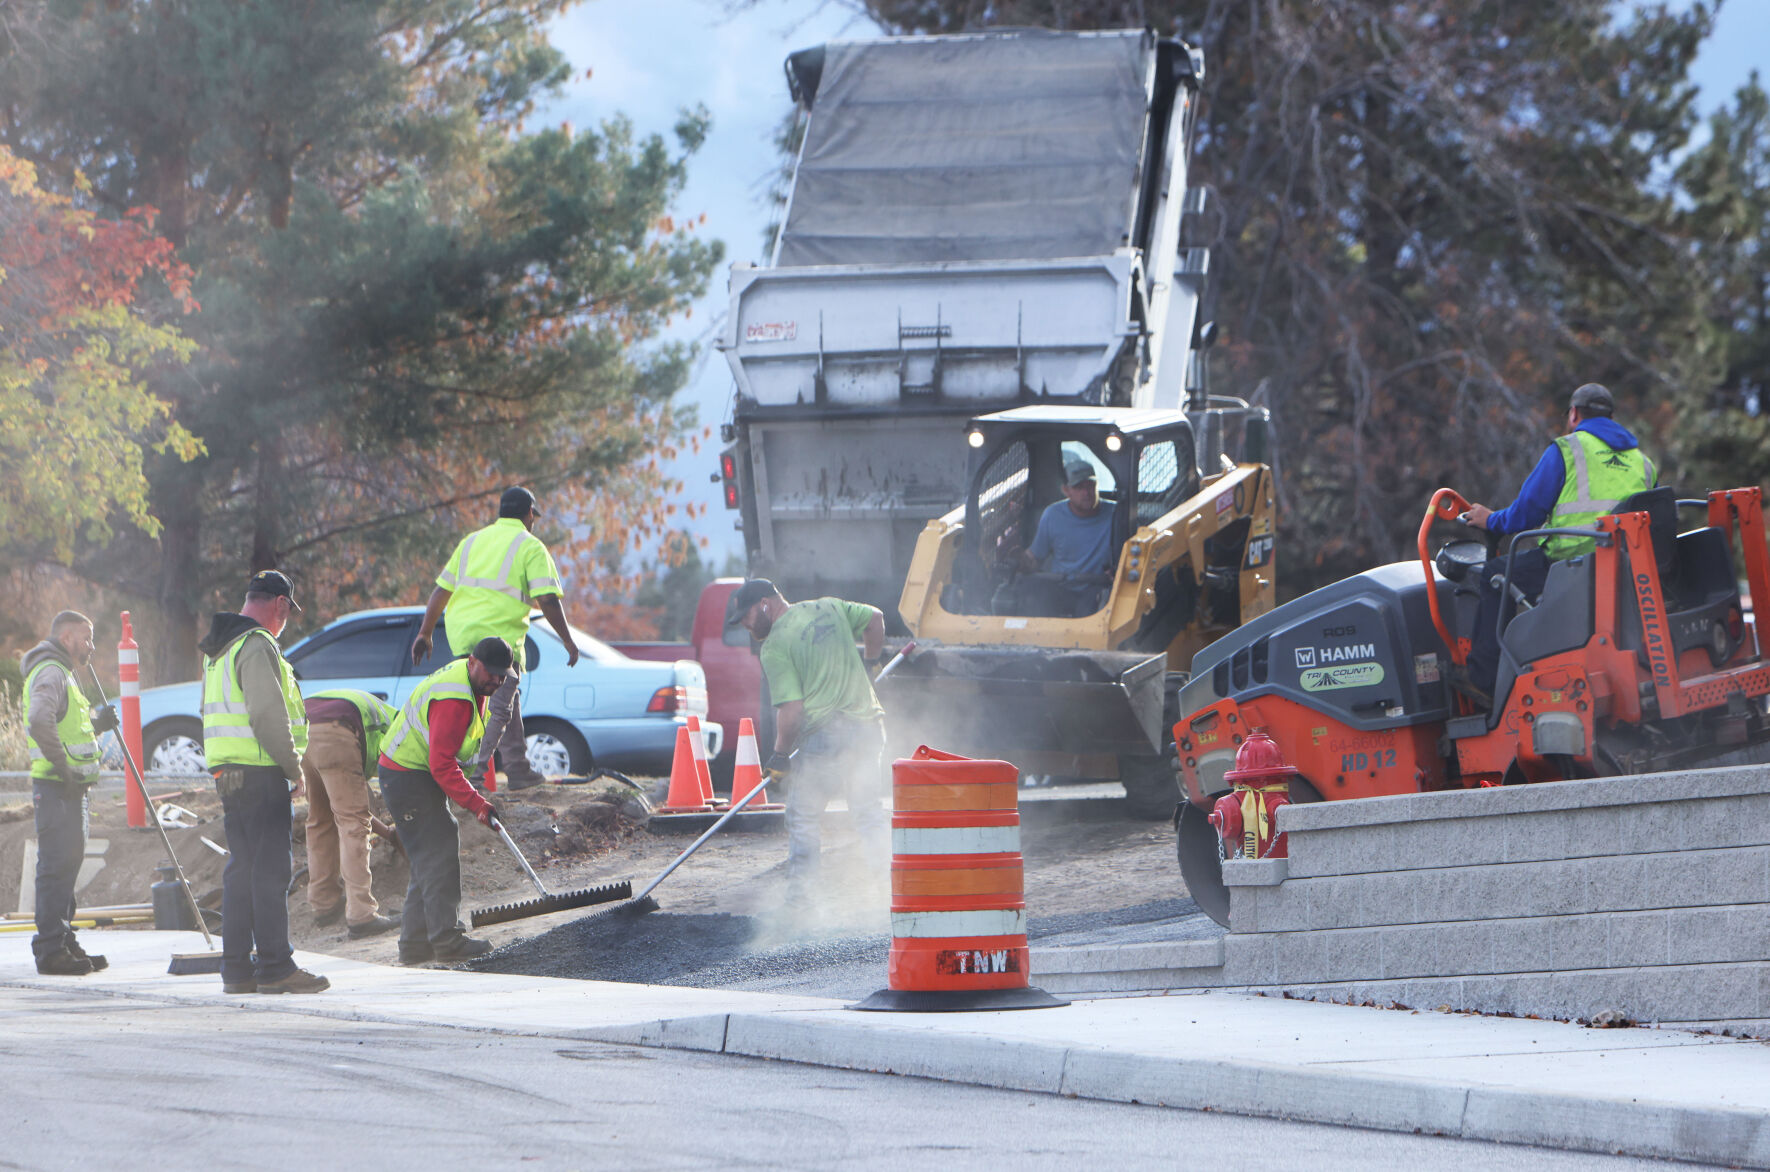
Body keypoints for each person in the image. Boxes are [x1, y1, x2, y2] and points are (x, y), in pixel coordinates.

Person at [1462, 383, 1656, 698]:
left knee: (1495, 574)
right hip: (1627, 566)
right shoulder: (1643, 462)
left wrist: (1490, 520)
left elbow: (1526, 514)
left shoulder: (1567, 450)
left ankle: (1485, 682)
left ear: (1574, 414)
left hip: (1571, 564)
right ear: (1612, 417)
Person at [199, 570, 328, 995]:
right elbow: (267, 716)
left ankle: (236, 969)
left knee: (242, 871)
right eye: (288, 612)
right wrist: (294, 770)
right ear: (280, 605)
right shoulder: (256, 645)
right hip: (260, 773)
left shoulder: (220, 649)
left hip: (229, 774)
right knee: (270, 873)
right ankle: (275, 966)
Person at [726, 579, 887, 912]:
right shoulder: (829, 606)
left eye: (747, 615)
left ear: (766, 605)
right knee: (868, 812)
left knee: (803, 815)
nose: (744, 623)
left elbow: (792, 711)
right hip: (869, 726)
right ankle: (893, 891)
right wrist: (872, 662)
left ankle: (801, 904)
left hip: (827, 737)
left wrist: (780, 755)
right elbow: (875, 619)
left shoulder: (774, 646)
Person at [411, 486, 580, 790]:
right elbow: (548, 600)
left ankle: (517, 769)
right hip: (499, 639)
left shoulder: (471, 542)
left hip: (463, 638)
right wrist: (567, 640)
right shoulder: (530, 546)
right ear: (530, 513)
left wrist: (425, 632)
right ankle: (472, 779)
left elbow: (441, 590)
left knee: (504, 701)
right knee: (497, 709)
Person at [377, 636, 512, 965]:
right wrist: (477, 803)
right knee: (438, 852)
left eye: (501, 676)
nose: (495, 680)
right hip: (409, 777)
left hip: (410, 775)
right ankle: (448, 941)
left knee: (428, 857)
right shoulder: (454, 699)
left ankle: (415, 945)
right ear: (472, 661)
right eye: (490, 673)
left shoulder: (467, 682)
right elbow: (441, 764)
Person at [21, 611, 115, 976]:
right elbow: (39, 721)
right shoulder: (50, 672)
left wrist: (96, 725)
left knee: (67, 865)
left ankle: (64, 940)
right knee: (56, 868)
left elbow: (63, 724)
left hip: (69, 789)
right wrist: (64, 769)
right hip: (57, 786)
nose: (91, 646)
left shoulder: (63, 674)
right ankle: (50, 951)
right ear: (66, 637)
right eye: (86, 638)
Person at [301, 688, 399, 938]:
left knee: (319, 819)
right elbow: (357, 816)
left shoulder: (381, 714)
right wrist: (398, 830)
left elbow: (346, 809)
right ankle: (361, 914)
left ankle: (324, 903)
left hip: (303, 731)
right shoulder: (398, 734)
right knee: (354, 827)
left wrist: (387, 832)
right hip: (338, 731)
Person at [1014, 459, 1115, 616]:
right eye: (1079, 487)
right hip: (1060, 588)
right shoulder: (1052, 515)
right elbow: (1035, 556)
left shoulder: (1116, 514)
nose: (1086, 493)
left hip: (1098, 590)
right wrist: (1019, 561)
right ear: (1066, 490)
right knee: (1033, 597)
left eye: (1090, 485)